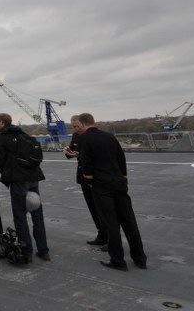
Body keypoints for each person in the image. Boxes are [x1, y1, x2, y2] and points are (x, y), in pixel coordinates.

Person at [76, 112, 148, 271]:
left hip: (101, 185)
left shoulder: (84, 139)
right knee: (129, 221)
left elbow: (85, 163)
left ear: (81, 124)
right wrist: (124, 178)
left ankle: (118, 260)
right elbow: (121, 159)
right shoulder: (109, 136)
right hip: (119, 182)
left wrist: (89, 181)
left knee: (111, 223)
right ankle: (140, 258)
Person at [0, 112, 50, 264]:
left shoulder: (2, 136)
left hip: (18, 179)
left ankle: (27, 251)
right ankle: (44, 250)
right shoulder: (23, 134)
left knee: (20, 216)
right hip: (33, 177)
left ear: (2, 123)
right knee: (37, 213)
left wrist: (8, 172)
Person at [63, 115, 107, 247]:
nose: (76, 129)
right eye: (74, 126)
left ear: (83, 124)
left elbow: (96, 156)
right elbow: (73, 151)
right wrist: (67, 151)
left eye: (78, 126)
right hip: (83, 176)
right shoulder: (76, 136)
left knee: (102, 208)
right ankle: (102, 234)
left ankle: (110, 237)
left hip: (96, 177)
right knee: (92, 207)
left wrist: (79, 154)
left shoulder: (95, 136)